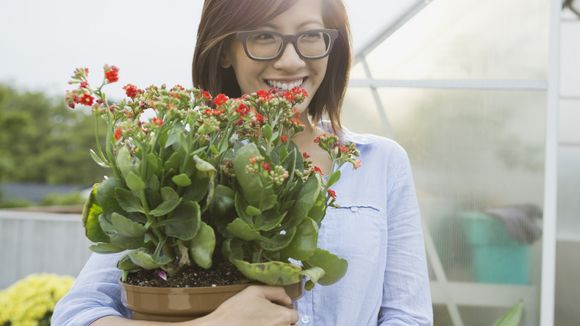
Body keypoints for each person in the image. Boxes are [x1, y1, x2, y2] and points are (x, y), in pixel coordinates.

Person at [51, 0, 433, 325]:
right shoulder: (181, 162)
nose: (290, 60)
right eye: (263, 36)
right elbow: (77, 314)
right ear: (224, 51)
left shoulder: (380, 162)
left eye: (311, 34)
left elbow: (408, 317)